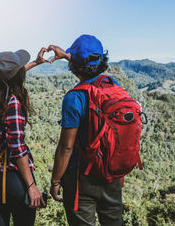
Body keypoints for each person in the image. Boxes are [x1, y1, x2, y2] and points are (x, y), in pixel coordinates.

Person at [48, 35, 124, 226]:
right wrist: (67, 55)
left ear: (75, 65)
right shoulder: (113, 85)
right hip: (111, 173)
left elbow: (66, 147)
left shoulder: (74, 98)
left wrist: (56, 180)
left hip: (81, 179)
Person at [0, 48, 48, 226]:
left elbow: (8, 78)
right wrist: (31, 186)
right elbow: (17, 146)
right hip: (13, 179)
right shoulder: (12, 102)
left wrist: (35, 62)